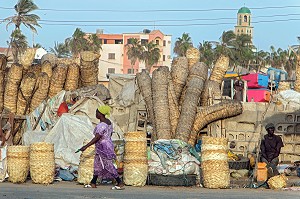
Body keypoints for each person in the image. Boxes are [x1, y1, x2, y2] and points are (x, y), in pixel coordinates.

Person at [80, 105, 124, 190]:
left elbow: (97, 137)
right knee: (97, 164)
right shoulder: (109, 122)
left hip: (103, 147)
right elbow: (109, 134)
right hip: (105, 144)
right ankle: (93, 182)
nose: (95, 114)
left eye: (97, 112)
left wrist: (86, 146)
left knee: (108, 164)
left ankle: (119, 182)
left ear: (100, 114)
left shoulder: (102, 125)